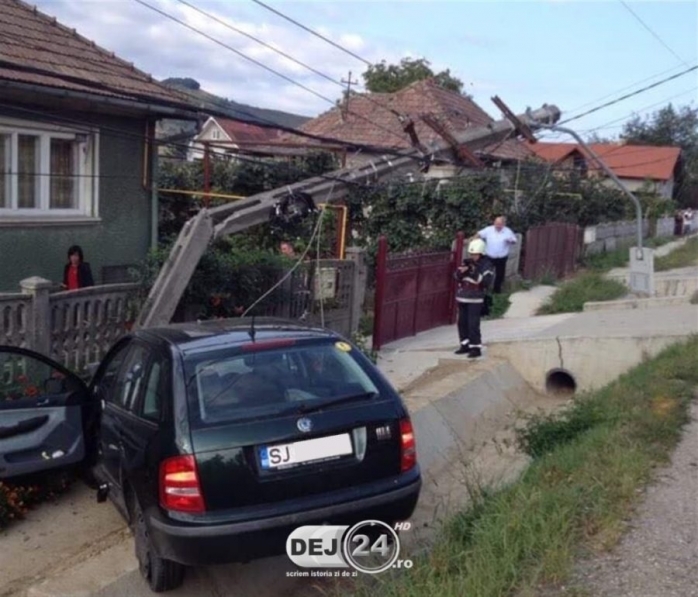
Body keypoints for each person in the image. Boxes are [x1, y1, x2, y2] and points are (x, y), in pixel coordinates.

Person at [453, 239, 495, 359]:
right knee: (462, 323)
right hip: (462, 298)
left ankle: (475, 348)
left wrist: (472, 272)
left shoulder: (487, 265)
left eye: (475, 254)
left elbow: (486, 282)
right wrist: (462, 272)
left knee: (473, 324)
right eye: (471, 254)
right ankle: (464, 345)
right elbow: (455, 276)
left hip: (475, 300)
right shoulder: (467, 263)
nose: (473, 256)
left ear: (481, 253)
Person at [475, 216, 517, 294]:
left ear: (503, 224)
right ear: (494, 223)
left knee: (500, 275)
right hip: (489, 256)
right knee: (485, 273)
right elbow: (479, 234)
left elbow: (514, 240)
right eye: (496, 223)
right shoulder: (489, 229)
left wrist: (511, 241)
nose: (497, 226)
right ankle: (484, 290)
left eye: (500, 224)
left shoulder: (508, 231)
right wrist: (473, 240)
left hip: (501, 257)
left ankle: (496, 291)